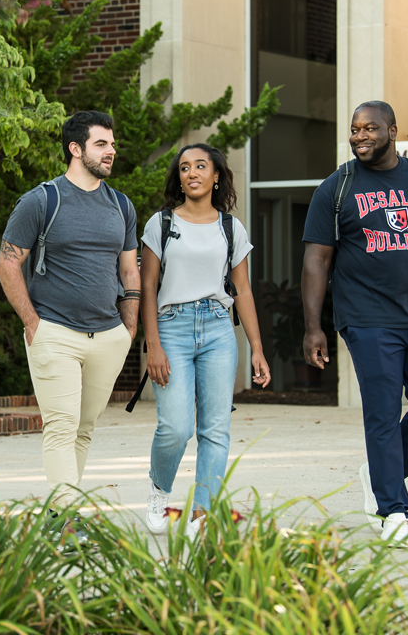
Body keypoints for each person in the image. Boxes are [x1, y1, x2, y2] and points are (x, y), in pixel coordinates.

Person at [301, 101, 408, 546]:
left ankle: (377, 474)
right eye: (354, 129)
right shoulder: (336, 188)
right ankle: (392, 508)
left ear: (393, 130)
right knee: (382, 412)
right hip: (366, 317)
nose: (359, 136)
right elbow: (317, 259)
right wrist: (313, 326)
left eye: (370, 128)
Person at [0, 110, 139, 527]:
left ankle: (59, 516)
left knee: (83, 428)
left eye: (112, 144)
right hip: (54, 331)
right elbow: (8, 265)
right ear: (75, 149)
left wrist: (128, 331)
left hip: (108, 335)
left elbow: (129, 271)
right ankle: (70, 521)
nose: (111, 151)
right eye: (101, 144)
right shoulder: (41, 200)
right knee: (61, 425)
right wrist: (32, 322)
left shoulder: (121, 205)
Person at [140, 143, 271, 539]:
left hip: (217, 328)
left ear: (217, 176)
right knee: (175, 427)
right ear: (178, 178)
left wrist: (257, 349)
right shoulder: (160, 224)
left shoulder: (231, 227)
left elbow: (243, 290)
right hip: (172, 328)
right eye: (184, 167)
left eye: (200, 166)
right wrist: (154, 345)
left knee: (215, 429)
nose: (191, 173)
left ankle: (203, 511)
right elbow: (147, 287)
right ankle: (160, 491)